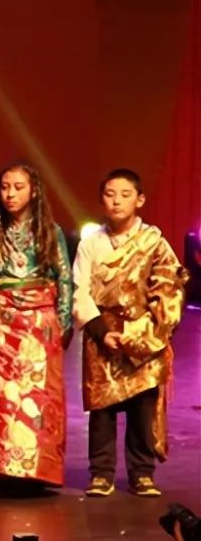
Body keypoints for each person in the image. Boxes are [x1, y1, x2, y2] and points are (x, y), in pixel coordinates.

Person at [73, 169, 187, 498]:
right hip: (102, 333)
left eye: (125, 195)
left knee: (143, 406)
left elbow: (169, 287)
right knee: (102, 409)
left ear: (140, 200)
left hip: (144, 333)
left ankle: (142, 473)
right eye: (110, 194)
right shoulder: (91, 244)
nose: (117, 201)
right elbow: (79, 291)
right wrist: (101, 332)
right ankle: (101, 473)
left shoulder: (154, 243)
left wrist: (145, 331)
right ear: (101, 200)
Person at [0, 163, 72, 490]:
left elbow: (64, 278)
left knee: (36, 397)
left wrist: (63, 322)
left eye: (18, 187)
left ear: (34, 191)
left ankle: (36, 470)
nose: (10, 194)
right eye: (5, 187)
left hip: (38, 325)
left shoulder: (50, 231)